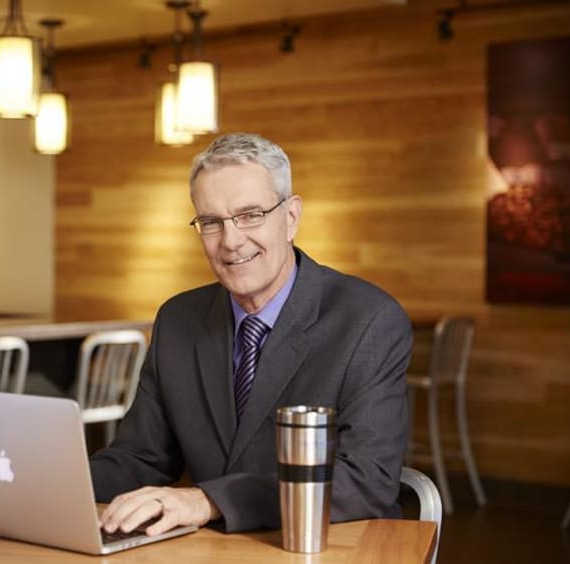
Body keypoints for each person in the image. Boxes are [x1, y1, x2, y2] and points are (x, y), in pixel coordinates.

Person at [92, 132, 412, 537]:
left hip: (327, 548)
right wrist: (45, 483)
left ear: (291, 217)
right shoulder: (177, 320)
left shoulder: (368, 321)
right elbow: (139, 458)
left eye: (250, 215)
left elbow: (366, 480)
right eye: (211, 222)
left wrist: (207, 501)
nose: (231, 241)